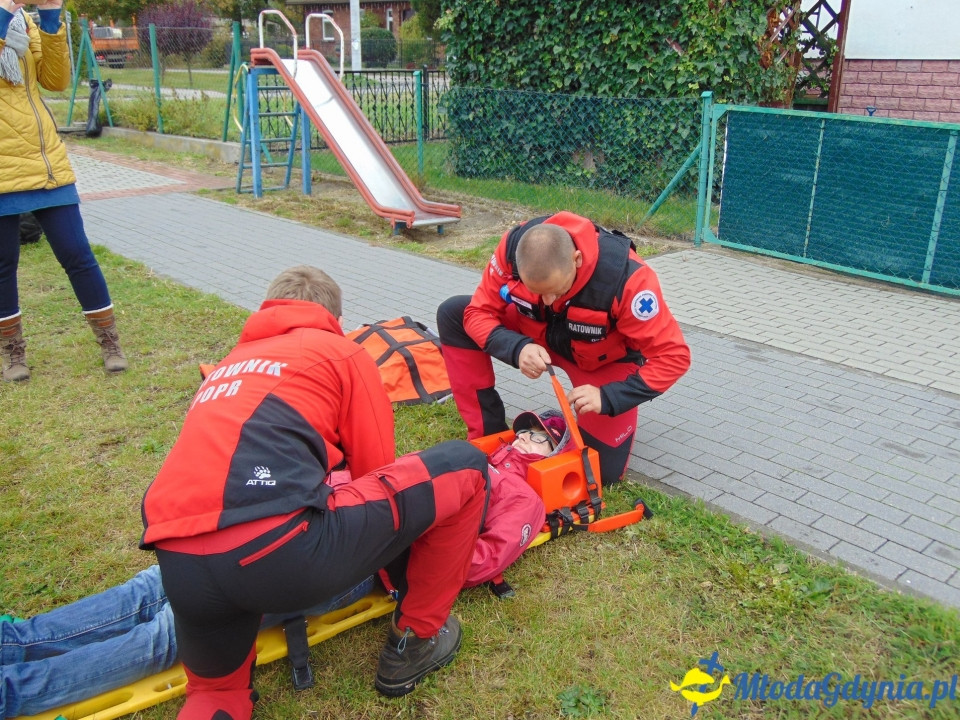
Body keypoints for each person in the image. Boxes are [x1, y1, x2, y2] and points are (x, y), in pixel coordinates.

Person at [141, 265, 490, 719]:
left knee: (214, 696)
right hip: (278, 553)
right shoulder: (339, 352)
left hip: (180, 565)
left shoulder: (228, 366)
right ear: (335, 319)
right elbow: (376, 471)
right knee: (466, 466)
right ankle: (417, 639)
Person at [438, 211, 691, 485]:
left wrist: (609, 397)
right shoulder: (512, 248)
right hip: (534, 334)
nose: (547, 300)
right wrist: (517, 348)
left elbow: (673, 357)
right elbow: (477, 313)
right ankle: (486, 430)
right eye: (536, 291)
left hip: (600, 359)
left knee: (598, 472)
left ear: (577, 260)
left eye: (556, 291)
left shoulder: (629, 280)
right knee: (453, 313)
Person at [0, 567, 375, 719]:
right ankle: (11, 670)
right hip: (296, 549)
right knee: (159, 615)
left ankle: (11, 661)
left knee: (153, 605)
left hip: (261, 540)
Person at [0, 1, 127, 382]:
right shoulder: (9, 19)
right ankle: (13, 354)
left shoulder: (25, 25)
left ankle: (110, 343)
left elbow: (56, 81)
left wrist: (52, 17)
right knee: (3, 267)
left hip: (44, 162)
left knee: (77, 254)